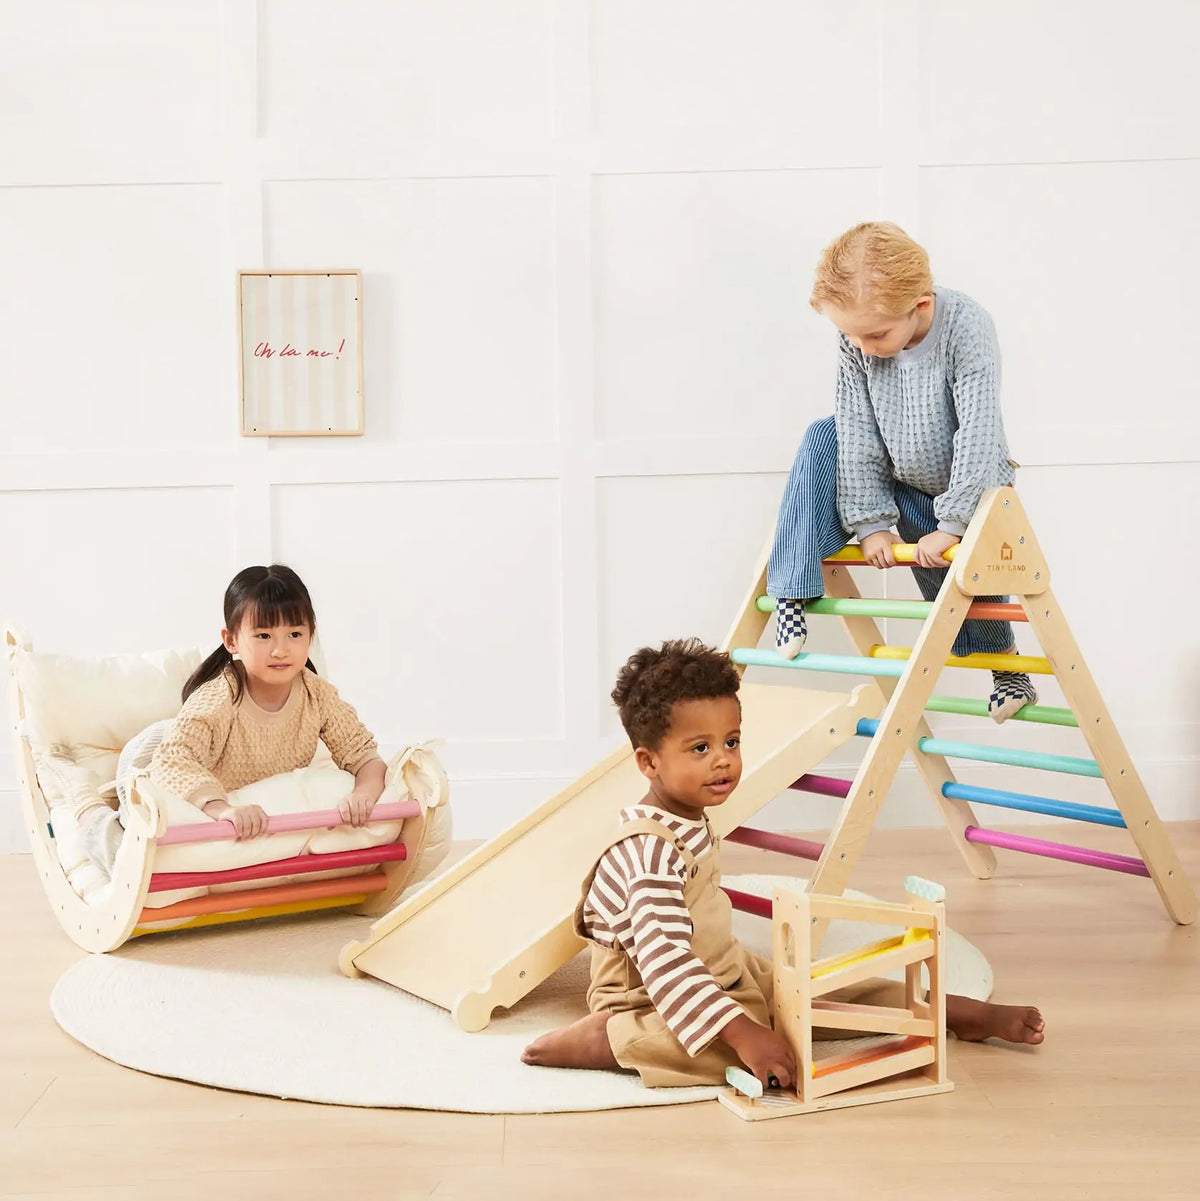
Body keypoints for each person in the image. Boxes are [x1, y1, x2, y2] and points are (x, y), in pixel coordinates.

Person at [521, 639, 1044, 1089]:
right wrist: (744, 1034)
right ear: (649, 762)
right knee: (746, 1045)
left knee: (812, 990)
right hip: (648, 995)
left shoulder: (689, 815)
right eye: (699, 748)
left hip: (722, 970)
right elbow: (667, 965)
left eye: (731, 742)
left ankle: (949, 1011)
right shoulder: (648, 853)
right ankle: (608, 1040)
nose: (723, 759)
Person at [769, 221, 1035, 722]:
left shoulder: (966, 326)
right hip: (895, 471)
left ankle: (1007, 670)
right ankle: (791, 592)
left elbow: (980, 432)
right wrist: (871, 524)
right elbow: (856, 426)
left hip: (961, 482)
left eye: (875, 334)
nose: (863, 346)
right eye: (850, 334)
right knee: (821, 434)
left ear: (921, 304)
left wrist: (952, 524)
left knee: (962, 590)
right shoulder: (858, 340)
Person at [81, 564, 385, 870]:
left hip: (221, 772)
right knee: (131, 840)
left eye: (294, 634)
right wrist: (222, 809)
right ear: (231, 640)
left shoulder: (318, 695)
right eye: (264, 635)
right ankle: (88, 810)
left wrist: (363, 794)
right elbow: (172, 760)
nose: (281, 650)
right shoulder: (219, 698)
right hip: (152, 754)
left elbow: (365, 756)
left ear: (311, 635)